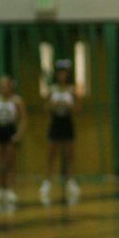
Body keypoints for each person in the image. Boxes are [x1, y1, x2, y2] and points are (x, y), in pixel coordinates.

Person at [39, 59, 81, 205]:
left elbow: (78, 109)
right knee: (51, 153)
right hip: (55, 123)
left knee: (69, 153)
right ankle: (47, 181)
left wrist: (70, 105)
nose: (62, 76)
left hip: (67, 123)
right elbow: (44, 108)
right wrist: (53, 104)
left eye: (64, 73)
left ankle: (70, 180)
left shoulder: (72, 90)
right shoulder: (52, 90)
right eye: (59, 73)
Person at [0, 75, 27, 208]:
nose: (4, 88)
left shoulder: (17, 101)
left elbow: (23, 119)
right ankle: (1, 188)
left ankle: (10, 189)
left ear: (11, 86)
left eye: (6, 85)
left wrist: (18, 135)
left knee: (10, 161)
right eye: (2, 86)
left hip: (10, 131)